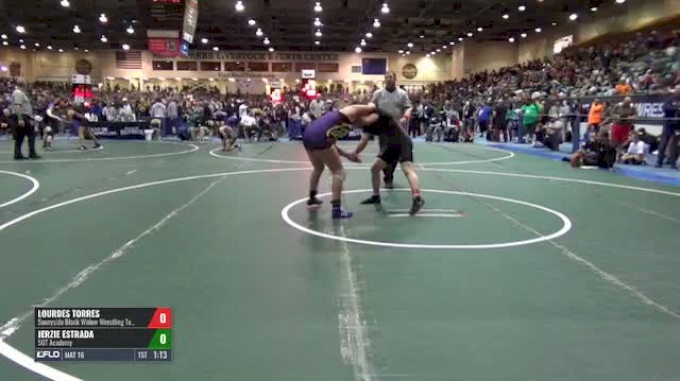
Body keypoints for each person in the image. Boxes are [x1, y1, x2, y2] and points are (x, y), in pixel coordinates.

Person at [302, 103, 379, 219]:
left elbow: (331, 146)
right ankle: (336, 209)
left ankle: (312, 198)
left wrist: (348, 156)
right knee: (339, 172)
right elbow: (371, 108)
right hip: (319, 137)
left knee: (318, 168)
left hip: (308, 135)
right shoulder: (350, 110)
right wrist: (383, 109)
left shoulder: (346, 122)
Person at [354, 113, 425, 216]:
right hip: (391, 145)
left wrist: (354, 153)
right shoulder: (367, 124)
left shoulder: (380, 113)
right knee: (375, 169)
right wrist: (355, 153)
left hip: (403, 142)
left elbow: (364, 139)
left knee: (407, 169)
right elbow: (364, 140)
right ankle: (376, 196)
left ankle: (417, 197)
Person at [370, 71, 412, 189]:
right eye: (386, 77)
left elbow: (408, 107)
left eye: (391, 77)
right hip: (382, 129)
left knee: (394, 156)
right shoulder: (378, 94)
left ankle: (389, 176)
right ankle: (388, 178)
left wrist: (405, 116)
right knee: (384, 154)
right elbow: (371, 107)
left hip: (397, 129)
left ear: (395, 79)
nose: (388, 79)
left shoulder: (402, 94)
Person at [11, 78, 40, 160]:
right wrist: (20, 119)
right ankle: (32, 153)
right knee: (31, 134)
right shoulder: (18, 93)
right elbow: (17, 106)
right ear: (24, 84)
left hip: (22, 116)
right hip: (22, 116)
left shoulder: (19, 93)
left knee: (20, 136)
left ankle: (18, 154)